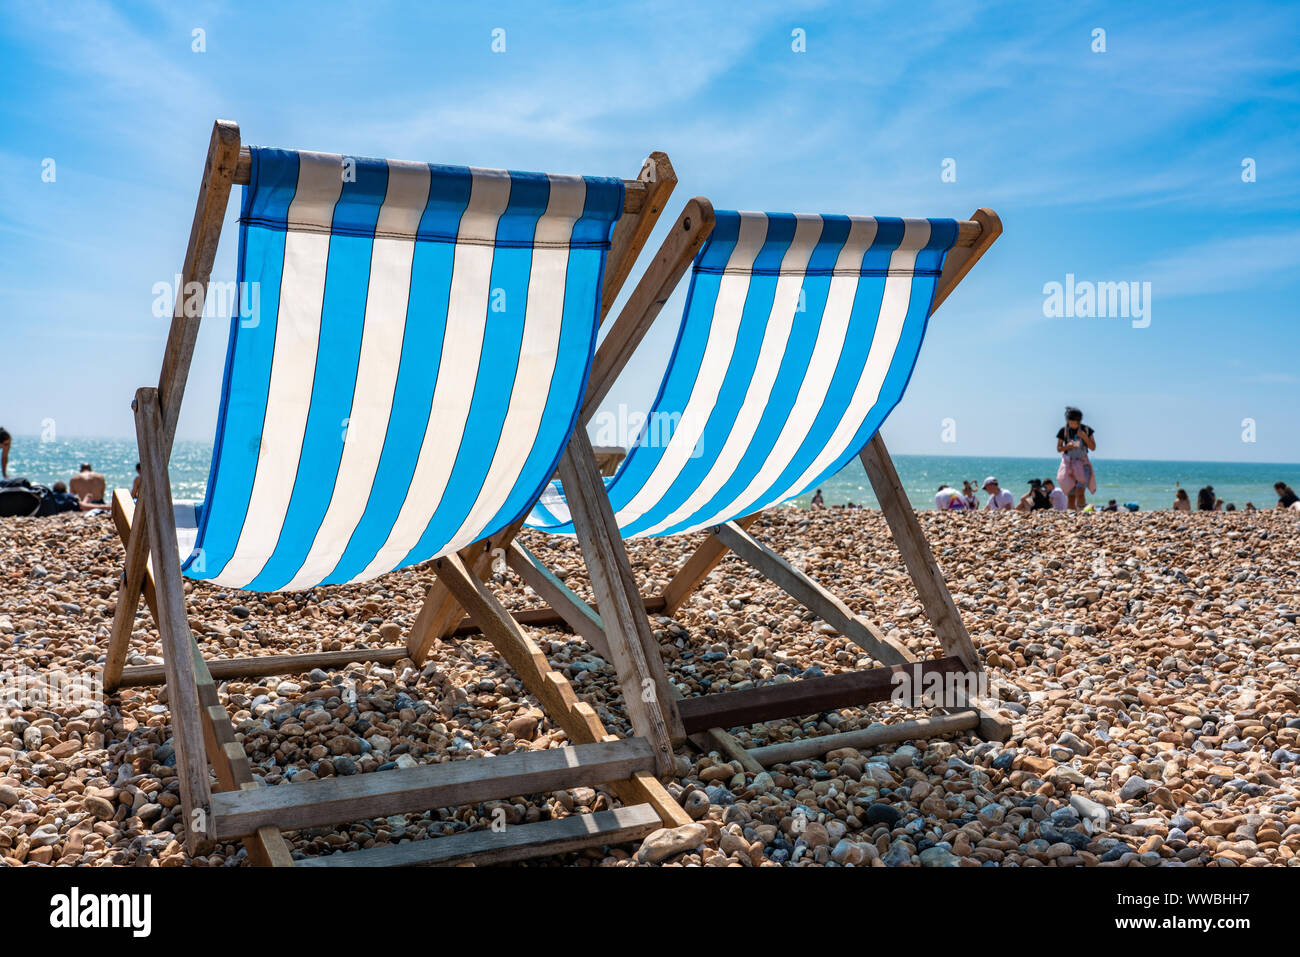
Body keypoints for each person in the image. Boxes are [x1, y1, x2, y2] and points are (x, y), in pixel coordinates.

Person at [1055, 407, 1097, 510]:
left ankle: (1082, 512)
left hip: (1083, 464)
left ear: (1080, 421)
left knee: (1080, 491)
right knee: (1071, 495)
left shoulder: (1087, 430)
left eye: (1075, 423)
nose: (1073, 425)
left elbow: (1093, 447)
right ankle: (1072, 516)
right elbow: (1059, 448)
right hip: (1068, 465)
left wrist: (1084, 437)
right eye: (1071, 422)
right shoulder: (1063, 431)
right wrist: (1067, 446)